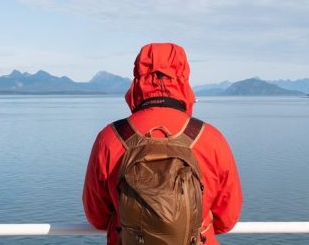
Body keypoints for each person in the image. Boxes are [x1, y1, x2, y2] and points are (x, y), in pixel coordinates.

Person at [83, 42, 243, 244]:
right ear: (184, 78)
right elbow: (227, 220)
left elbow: (96, 217)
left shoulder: (109, 138)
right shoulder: (210, 138)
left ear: (137, 80)